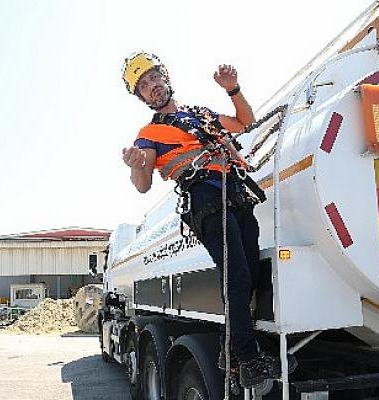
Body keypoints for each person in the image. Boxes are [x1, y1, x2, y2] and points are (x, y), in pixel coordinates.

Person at [120, 51, 278, 388]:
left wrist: (233, 90)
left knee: (249, 275)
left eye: (154, 79)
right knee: (235, 277)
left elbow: (245, 122)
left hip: (236, 193)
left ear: (165, 77)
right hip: (205, 200)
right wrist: (136, 164)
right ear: (141, 97)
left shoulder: (200, 115)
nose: (152, 87)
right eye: (144, 86)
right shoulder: (149, 135)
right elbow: (143, 183)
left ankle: (230, 350)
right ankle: (248, 360)